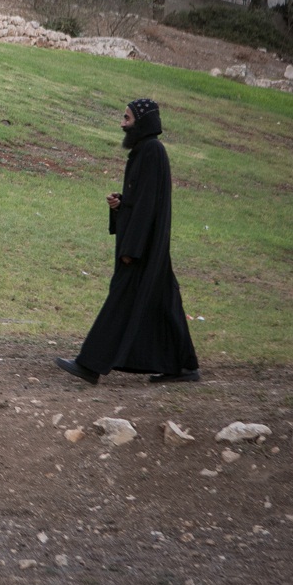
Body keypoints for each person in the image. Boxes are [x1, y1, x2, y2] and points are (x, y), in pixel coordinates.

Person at [56, 98, 200, 385]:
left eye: (127, 119)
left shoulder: (151, 152)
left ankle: (90, 364)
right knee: (164, 302)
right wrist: (121, 205)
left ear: (142, 122)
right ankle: (182, 367)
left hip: (142, 249)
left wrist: (131, 250)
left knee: (120, 301)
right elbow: (142, 203)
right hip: (148, 246)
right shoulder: (145, 152)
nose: (122, 124)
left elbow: (148, 207)